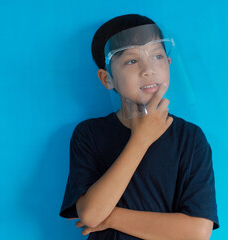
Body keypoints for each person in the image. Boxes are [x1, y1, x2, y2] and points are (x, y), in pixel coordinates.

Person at [59, 14, 219, 240]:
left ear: (169, 63)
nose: (148, 69)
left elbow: (197, 231)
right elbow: (91, 214)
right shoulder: (89, 134)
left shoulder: (190, 138)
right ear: (107, 79)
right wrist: (141, 138)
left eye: (157, 56)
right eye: (132, 61)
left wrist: (111, 217)